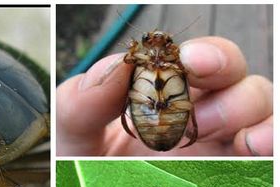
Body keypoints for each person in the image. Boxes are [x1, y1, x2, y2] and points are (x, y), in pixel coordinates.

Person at [57, 37, 273, 156]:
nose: (157, 47)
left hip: (161, 118)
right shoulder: (137, 61)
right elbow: (126, 87)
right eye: (150, 42)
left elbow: (190, 95)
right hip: (153, 117)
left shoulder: (178, 63)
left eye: (164, 43)